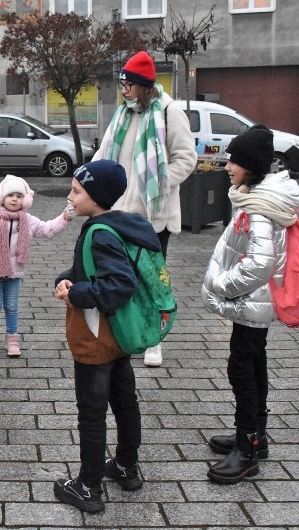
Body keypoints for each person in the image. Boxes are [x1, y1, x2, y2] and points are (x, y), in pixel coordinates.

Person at [201, 124, 299, 485]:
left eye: (235, 161)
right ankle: (255, 437)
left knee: (241, 368)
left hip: (252, 301)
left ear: (252, 166)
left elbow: (260, 262)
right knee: (254, 362)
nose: (229, 166)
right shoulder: (258, 195)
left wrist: (224, 287)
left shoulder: (259, 207)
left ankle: (246, 450)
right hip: (257, 303)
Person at [53, 160, 155, 514]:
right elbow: (90, 269)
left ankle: (88, 486)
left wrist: (76, 294)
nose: (70, 196)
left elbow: (118, 283)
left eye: (77, 191)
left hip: (96, 336)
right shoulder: (116, 225)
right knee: (125, 402)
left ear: (95, 198)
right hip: (119, 334)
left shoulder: (98, 232)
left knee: (92, 413)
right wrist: (67, 277)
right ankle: (127, 467)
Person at [92, 50, 197, 367]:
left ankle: (154, 341)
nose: (122, 89)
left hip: (154, 217)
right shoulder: (123, 115)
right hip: (119, 214)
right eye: (121, 83)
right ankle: (129, 333)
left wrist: (161, 185)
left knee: (153, 280)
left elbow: (186, 158)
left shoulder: (169, 112)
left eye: (127, 84)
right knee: (123, 277)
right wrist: (86, 183)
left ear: (142, 85)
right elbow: (104, 154)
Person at [0, 174, 73, 358]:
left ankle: (12, 339)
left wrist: (64, 217)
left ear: (25, 199)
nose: (14, 199)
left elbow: (47, 229)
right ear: (1, 198)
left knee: (12, 306)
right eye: (10, 195)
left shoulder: (27, 220)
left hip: (14, 274)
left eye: (19, 195)